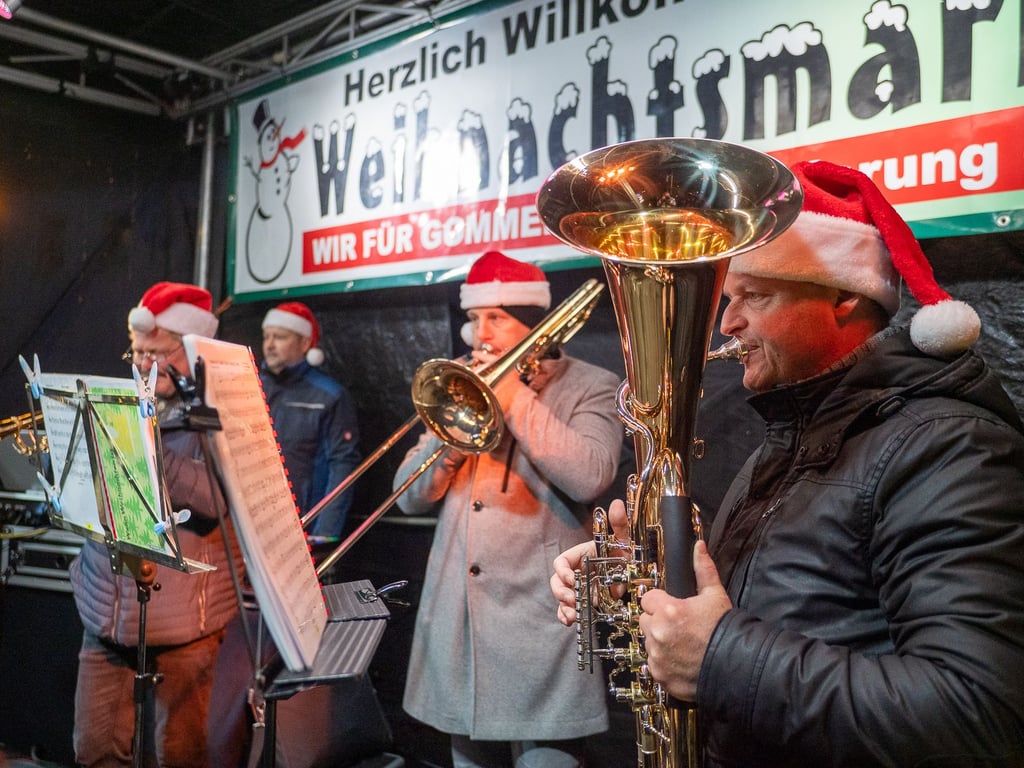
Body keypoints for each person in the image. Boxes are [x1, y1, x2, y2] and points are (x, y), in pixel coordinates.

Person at [551, 160, 1024, 767]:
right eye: (728, 297)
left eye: (756, 295)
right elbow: (775, 609)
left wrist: (720, 656)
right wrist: (641, 582)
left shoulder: (950, 446)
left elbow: (979, 715)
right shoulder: (786, 442)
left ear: (845, 298)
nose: (727, 322)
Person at [394, 250, 624, 767]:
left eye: (496, 317)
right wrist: (453, 436)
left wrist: (513, 398)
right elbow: (409, 496)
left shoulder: (592, 385)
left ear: (533, 322)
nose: (479, 334)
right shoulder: (454, 385)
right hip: (461, 622)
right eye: (475, 318)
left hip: (542, 621)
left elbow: (591, 474)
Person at [69, 281, 242, 767]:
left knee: (180, 754)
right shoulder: (120, 400)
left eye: (155, 353)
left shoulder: (222, 411)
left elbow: (216, 497)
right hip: (106, 610)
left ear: (189, 349)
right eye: (136, 351)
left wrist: (147, 451)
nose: (141, 363)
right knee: (94, 749)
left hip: (186, 620)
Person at [260, 301, 360, 539]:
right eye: (266, 337)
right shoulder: (249, 386)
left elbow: (342, 465)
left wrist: (325, 532)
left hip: (301, 525)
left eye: (280, 337)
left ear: (305, 343)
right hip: (250, 523)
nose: (270, 345)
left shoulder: (329, 395)